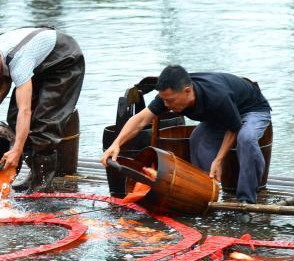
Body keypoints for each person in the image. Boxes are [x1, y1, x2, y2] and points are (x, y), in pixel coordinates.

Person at [100, 65, 271, 203]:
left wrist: (218, 160)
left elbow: (234, 127)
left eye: (171, 100)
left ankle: (246, 200)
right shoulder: (167, 96)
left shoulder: (216, 95)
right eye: (164, 100)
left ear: (187, 91)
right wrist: (116, 144)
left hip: (252, 110)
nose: (166, 105)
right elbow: (141, 120)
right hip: (221, 115)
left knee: (245, 138)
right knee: (198, 138)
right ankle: (207, 192)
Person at [0, 26, 85, 190]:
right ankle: (35, 175)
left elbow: (26, 110)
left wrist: (17, 150)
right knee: (14, 118)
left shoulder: (19, 60)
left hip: (64, 61)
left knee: (44, 125)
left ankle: (42, 186)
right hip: (40, 64)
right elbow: (3, 76)